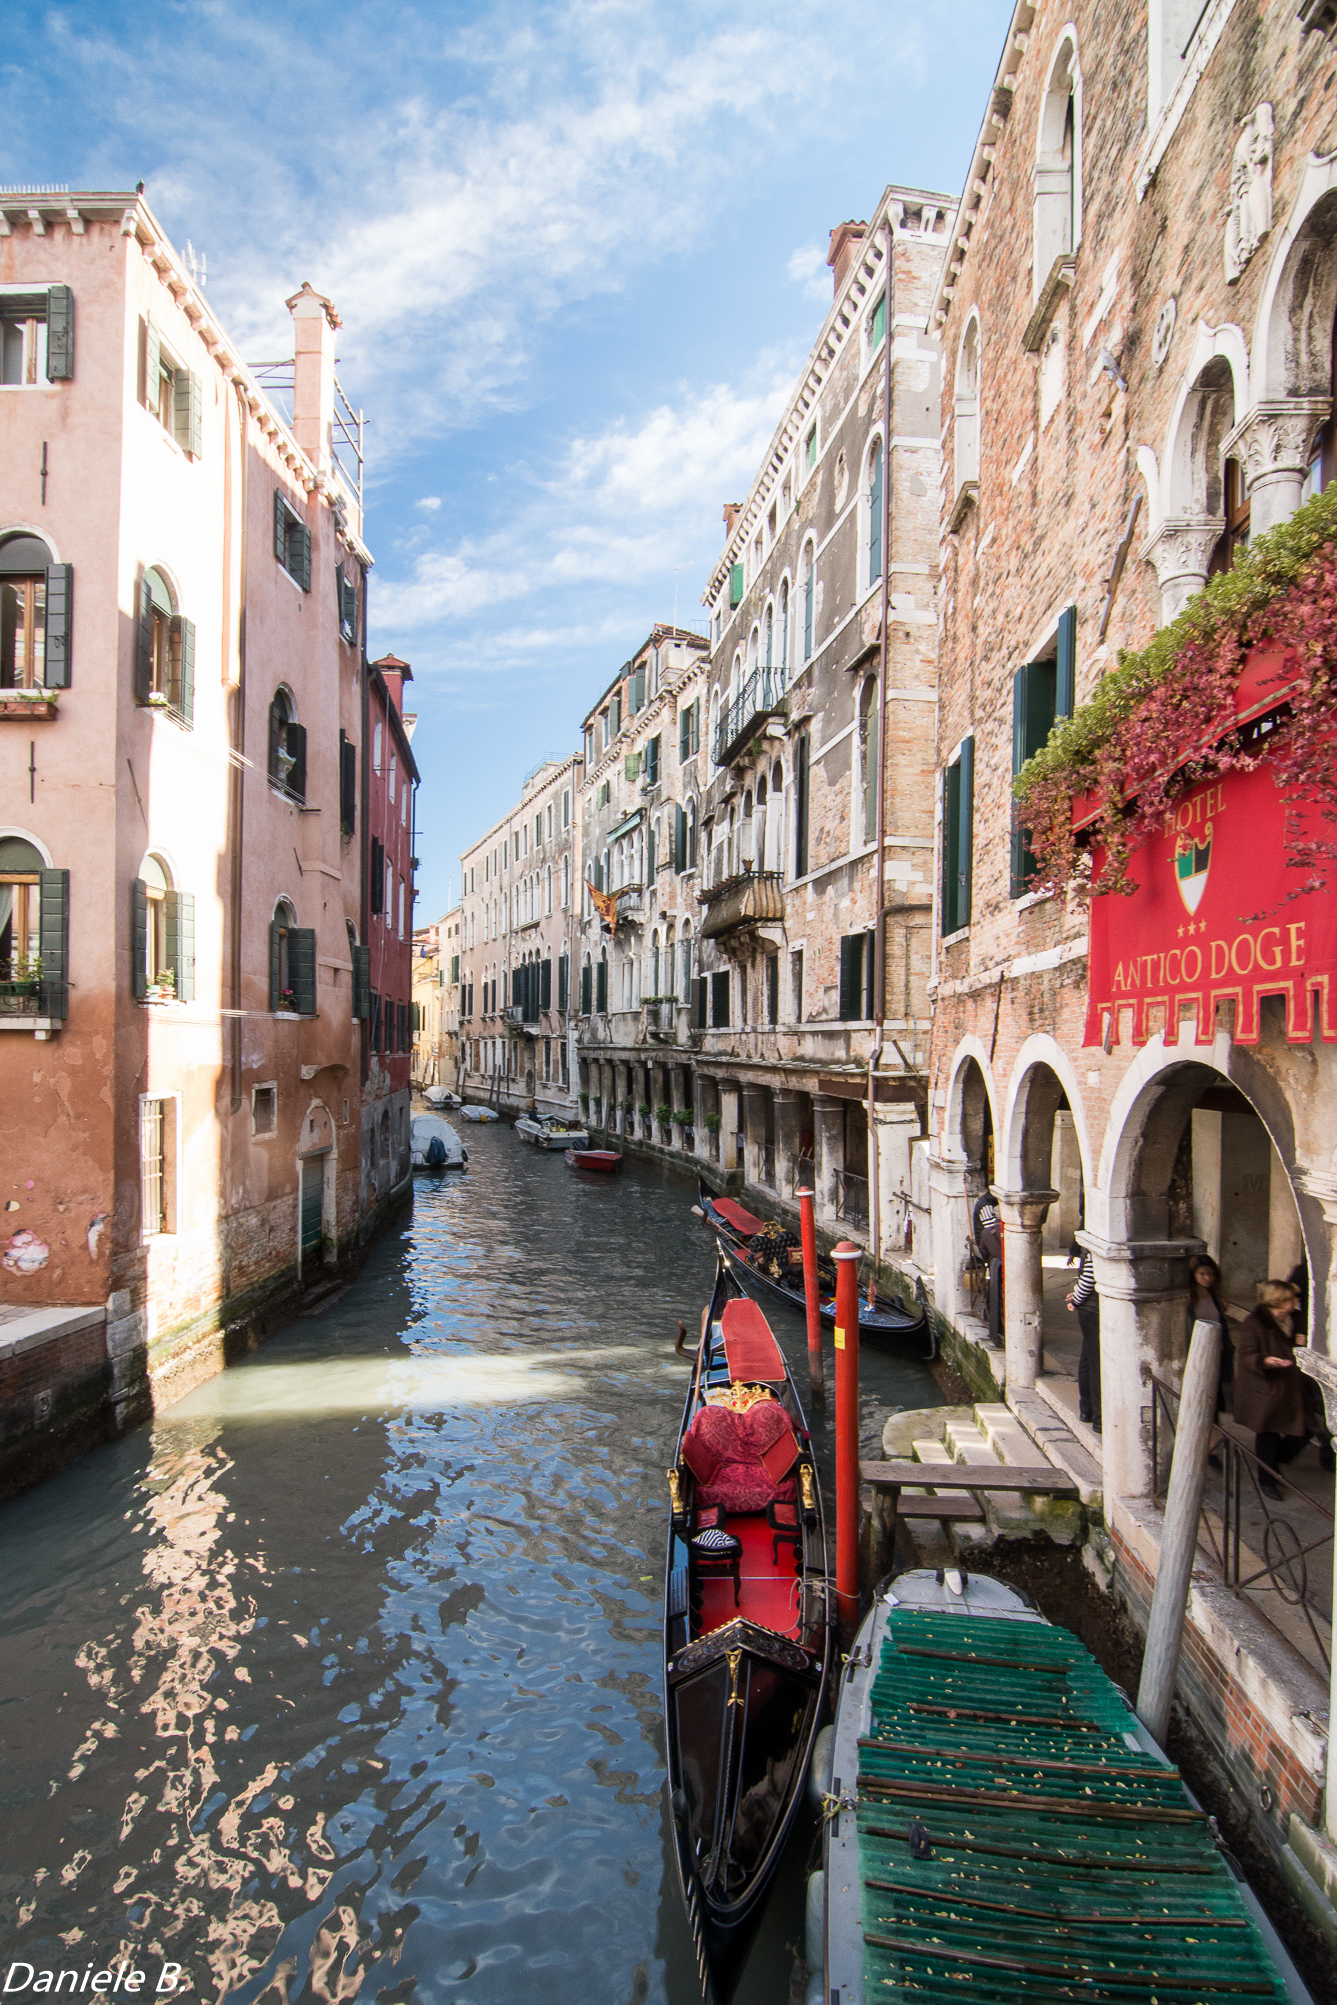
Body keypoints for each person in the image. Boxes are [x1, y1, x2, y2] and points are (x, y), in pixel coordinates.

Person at [1233, 1278, 1306, 1498]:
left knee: (1305, 1430)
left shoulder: (1297, 1318)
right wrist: (1265, 1361)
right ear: (1279, 1301)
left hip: (1293, 1386)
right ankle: (1267, 1481)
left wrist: (1304, 1342)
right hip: (1268, 1388)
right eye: (1291, 1299)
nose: (1295, 1302)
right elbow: (1247, 1355)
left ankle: (1274, 1462)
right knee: (1268, 1433)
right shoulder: (1255, 1323)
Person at [1066, 1246, 1101, 1432]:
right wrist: (1076, 1299)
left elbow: (1086, 1279)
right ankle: (1099, 1418)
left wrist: (1076, 1296)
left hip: (1089, 1309)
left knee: (1088, 1360)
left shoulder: (1088, 1248)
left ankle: (1087, 1410)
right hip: (1093, 1311)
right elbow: (1089, 1278)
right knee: (1095, 1364)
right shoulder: (1093, 1248)